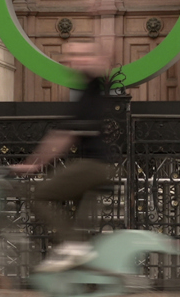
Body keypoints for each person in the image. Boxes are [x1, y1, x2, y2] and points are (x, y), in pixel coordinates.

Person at [11, 38, 117, 272]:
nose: (74, 61)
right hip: (93, 165)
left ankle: (73, 248)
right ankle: (82, 283)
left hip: (94, 165)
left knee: (39, 196)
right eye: (70, 57)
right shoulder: (83, 89)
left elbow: (61, 138)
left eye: (81, 55)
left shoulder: (93, 85)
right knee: (73, 225)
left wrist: (33, 165)